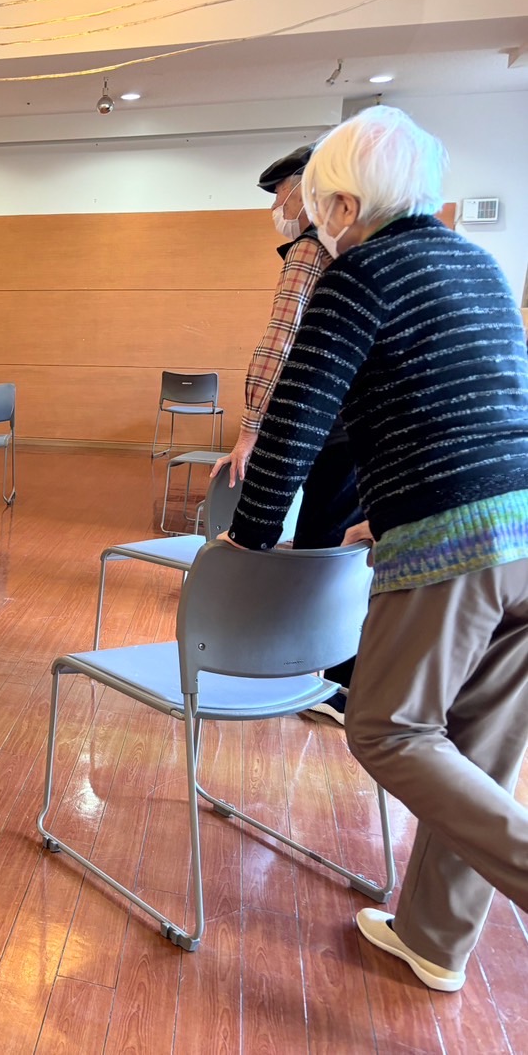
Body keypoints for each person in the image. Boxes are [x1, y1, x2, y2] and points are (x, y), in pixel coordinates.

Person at [224, 105, 528, 994]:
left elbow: (295, 419)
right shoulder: (478, 262)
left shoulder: (357, 274)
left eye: (313, 201)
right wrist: (385, 509)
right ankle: (433, 938)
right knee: (475, 751)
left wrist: (246, 539)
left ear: (345, 204)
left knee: (387, 728)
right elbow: (472, 402)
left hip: (457, 540)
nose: (306, 217)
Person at [212, 143, 364, 726]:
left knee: (322, 550)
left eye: (280, 193)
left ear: (309, 187)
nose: (276, 207)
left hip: (334, 428)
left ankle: (325, 683)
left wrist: (249, 430)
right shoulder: (378, 250)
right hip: (376, 432)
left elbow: (281, 345)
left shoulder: (311, 248)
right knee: (345, 548)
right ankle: (339, 678)